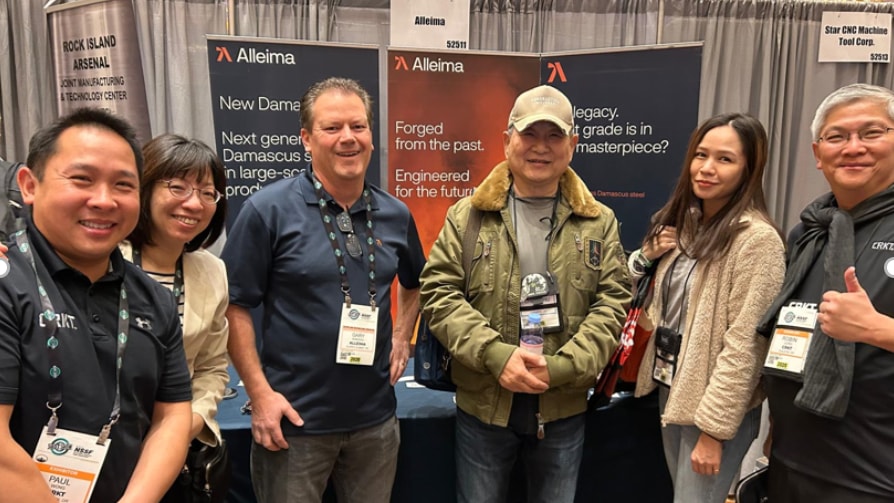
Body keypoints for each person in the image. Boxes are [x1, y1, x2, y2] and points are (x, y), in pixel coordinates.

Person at [419, 85, 631, 502]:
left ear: (572, 145)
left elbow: (612, 304)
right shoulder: (467, 216)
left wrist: (564, 367)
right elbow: (439, 293)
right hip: (484, 405)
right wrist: (495, 355)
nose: (540, 147)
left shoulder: (599, 222)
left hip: (563, 406)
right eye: (529, 133)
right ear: (506, 141)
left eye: (554, 136)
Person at [221, 77, 426, 503]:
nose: (348, 137)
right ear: (306, 139)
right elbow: (234, 306)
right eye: (332, 128)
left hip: (375, 423)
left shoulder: (395, 213)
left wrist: (402, 335)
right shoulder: (267, 210)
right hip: (294, 423)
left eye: (358, 126)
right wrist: (259, 394)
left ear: (371, 136)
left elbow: (414, 282)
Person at [0, 108, 193, 502]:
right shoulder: (7, 283)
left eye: (123, 185)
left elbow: (172, 415)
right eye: (81, 179)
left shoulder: (153, 298)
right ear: (29, 185)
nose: (104, 200)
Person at [630, 113, 785, 503]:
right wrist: (645, 258)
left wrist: (714, 431)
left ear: (749, 169)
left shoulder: (757, 241)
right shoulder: (683, 227)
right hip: (672, 388)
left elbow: (747, 344)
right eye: (701, 155)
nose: (707, 168)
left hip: (712, 406)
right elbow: (645, 299)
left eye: (725, 159)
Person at [760, 83, 894, 502]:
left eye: (871, 133)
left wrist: (878, 329)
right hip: (793, 462)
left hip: (874, 478)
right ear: (818, 155)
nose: (853, 147)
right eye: (837, 137)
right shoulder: (809, 231)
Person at [119, 133, 231, 500]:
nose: (193, 203)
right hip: (101, 446)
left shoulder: (212, 272)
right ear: (145, 188)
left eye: (207, 192)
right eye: (177, 187)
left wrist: (185, 426)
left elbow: (213, 367)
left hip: (177, 452)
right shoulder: (104, 260)